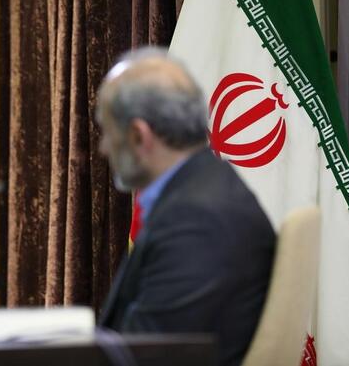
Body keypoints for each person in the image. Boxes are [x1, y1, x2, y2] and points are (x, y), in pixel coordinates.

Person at [96, 48, 275, 366]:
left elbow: (147, 356)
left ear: (138, 136)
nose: (104, 148)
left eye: (108, 132)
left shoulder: (198, 221)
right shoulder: (202, 189)